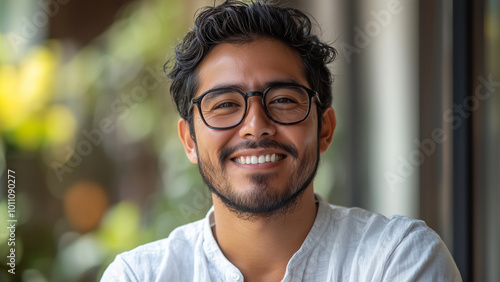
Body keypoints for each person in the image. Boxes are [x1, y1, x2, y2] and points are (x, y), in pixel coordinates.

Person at [101, 1, 462, 281]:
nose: (256, 127)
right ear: (189, 139)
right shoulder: (139, 276)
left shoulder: (395, 259)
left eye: (284, 100)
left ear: (324, 129)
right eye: (225, 105)